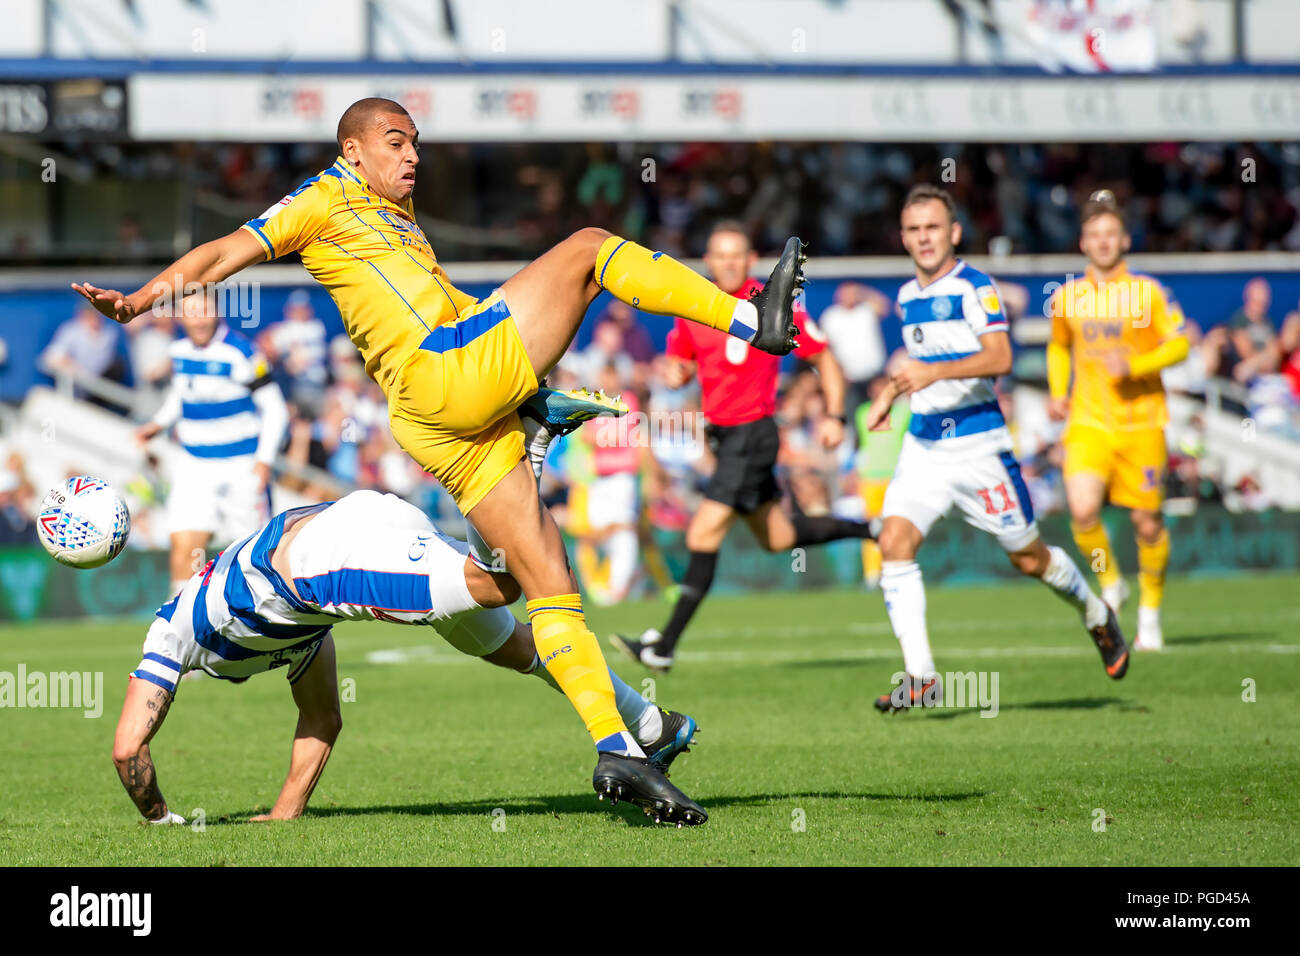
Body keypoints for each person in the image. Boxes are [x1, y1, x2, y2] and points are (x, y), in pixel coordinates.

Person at [73, 96, 805, 816]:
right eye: (396, 141)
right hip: (439, 374)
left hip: (440, 418)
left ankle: (618, 746)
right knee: (588, 249)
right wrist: (144, 299)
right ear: (353, 150)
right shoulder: (323, 198)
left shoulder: (398, 221)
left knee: (539, 582)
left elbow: (435, 297)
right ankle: (752, 318)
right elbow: (224, 250)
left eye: (416, 142)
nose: (413, 155)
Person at [113, 489, 701, 825]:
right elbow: (322, 718)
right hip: (354, 517)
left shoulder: (170, 633)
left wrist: (162, 821)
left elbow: (126, 749)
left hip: (326, 559)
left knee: (497, 584)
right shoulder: (295, 635)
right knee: (512, 645)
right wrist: (283, 815)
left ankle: (527, 450)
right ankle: (652, 724)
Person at [864, 185, 1127, 712]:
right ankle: (920, 677)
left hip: (979, 448)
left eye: (933, 227)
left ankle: (1096, 613)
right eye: (914, 230)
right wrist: (891, 393)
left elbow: (1002, 355)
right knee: (893, 540)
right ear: (903, 237)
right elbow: (920, 366)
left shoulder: (975, 287)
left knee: (1029, 559)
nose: (924, 238)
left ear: (954, 232)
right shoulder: (905, 297)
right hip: (923, 447)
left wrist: (933, 372)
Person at [609, 221, 874, 673]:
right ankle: (870, 529)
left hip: (753, 434)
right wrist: (676, 373)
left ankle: (663, 645)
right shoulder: (695, 306)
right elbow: (681, 363)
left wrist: (835, 416)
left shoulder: (770, 304)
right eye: (720, 255)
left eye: (737, 255)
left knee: (701, 533)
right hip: (725, 438)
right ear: (708, 261)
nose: (729, 263)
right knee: (780, 538)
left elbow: (823, 358)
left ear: (750, 260)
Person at [1047, 190, 1191, 651]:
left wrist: (1137, 366)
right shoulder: (1069, 296)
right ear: (1083, 243)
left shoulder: (1147, 292)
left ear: (1124, 239)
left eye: (1110, 233)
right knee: (1083, 509)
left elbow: (1180, 343)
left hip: (1142, 422)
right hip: (1089, 422)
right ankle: (1111, 582)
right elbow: (1057, 345)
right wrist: (1057, 392)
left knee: (1147, 524)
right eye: (1094, 234)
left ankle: (1150, 613)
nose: (1103, 242)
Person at [136, 294, 290, 597]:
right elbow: (181, 396)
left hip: (241, 466)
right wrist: (156, 425)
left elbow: (276, 409)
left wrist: (264, 461)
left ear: (217, 312)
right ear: (180, 315)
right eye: (192, 312)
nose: (200, 319)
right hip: (194, 465)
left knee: (252, 557)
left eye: (205, 311)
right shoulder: (179, 351)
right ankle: (183, 627)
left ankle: (264, 630)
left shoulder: (242, 352)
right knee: (184, 548)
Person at [817, 281, 892, 421]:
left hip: (874, 377)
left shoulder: (866, 310)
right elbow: (826, 349)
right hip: (849, 379)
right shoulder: (831, 316)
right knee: (852, 419)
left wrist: (862, 292)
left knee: (879, 416)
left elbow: (885, 306)